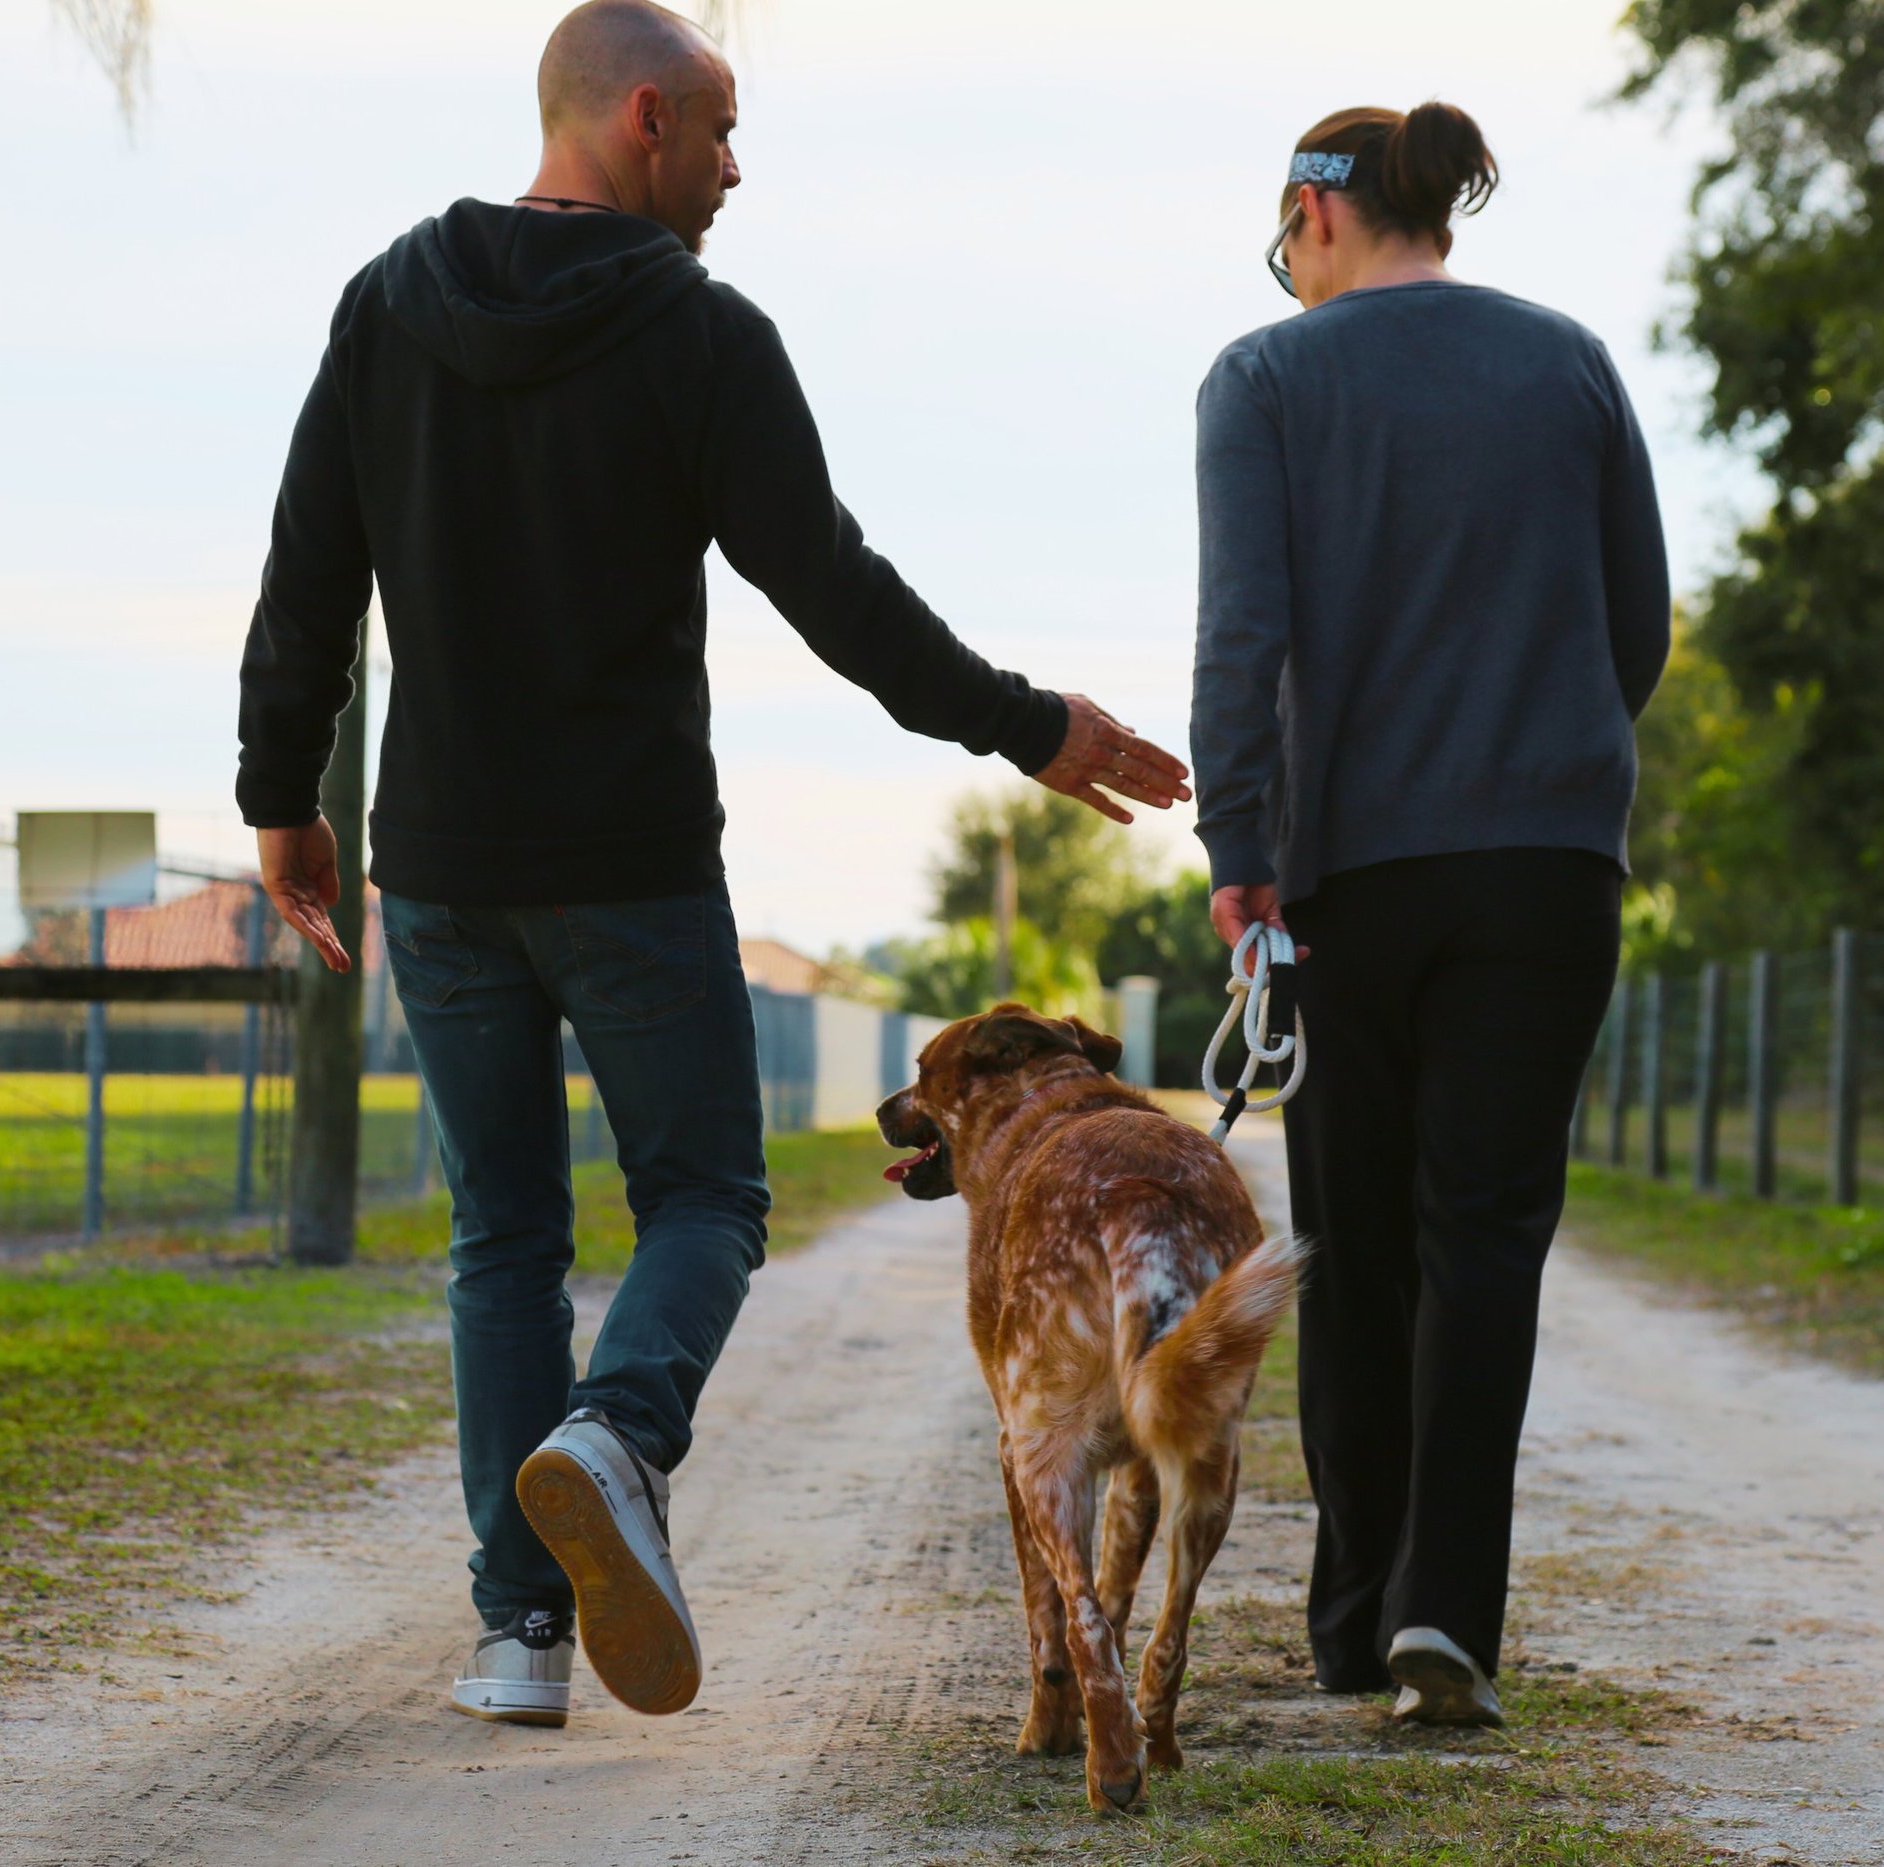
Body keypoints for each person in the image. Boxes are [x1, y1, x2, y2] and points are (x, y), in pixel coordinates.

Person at [234, 0, 1188, 1731]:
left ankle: (517, 1641)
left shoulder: (387, 305)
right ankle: (616, 1434)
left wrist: (277, 795)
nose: (741, 170)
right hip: (631, 865)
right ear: (644, 117)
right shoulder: (696, 333)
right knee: (706, 1202)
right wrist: (1027, 723)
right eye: (728, 133)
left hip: (439, 866)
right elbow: (832, 587)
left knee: (503, 1234)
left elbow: (309, 578)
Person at [1189, 101, 1670, 1727]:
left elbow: (1242, 633)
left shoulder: (1263, 380)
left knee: (1357, 1241)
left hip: (1348, 877)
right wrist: (1545, 761)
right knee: (1488, 1239)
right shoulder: (1571, 363)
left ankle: (1349, 1618)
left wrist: (1240, 848)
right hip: (1547, 865)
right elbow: (1639, 626)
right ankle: (1445, 1616)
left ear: (1315, 215)